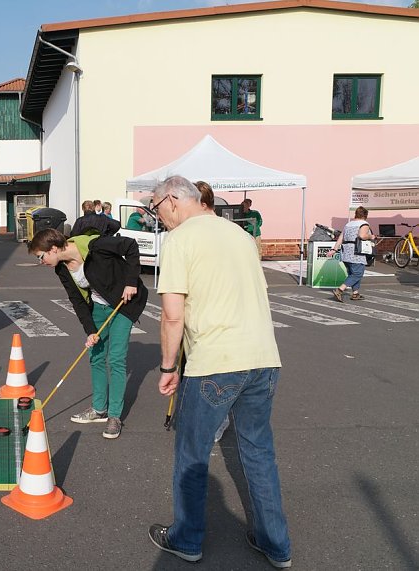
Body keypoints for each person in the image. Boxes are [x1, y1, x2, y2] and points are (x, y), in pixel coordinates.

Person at [148, 176, 291, 568]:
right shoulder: (240, 236)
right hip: (263, 357)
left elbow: (172, 315)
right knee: (259, 451)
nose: (157, 217)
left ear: (173, 200)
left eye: (155, 208)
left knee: (192, 453)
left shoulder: (180, 240)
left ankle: (187, 539)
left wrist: (167, 367)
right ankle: (276, 544)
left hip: (214, 360)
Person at [28, 228, 148, 439]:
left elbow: (130, 246)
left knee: (117, 359)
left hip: (123, 304)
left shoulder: (96, 246)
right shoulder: (62, 269)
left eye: (41, 256)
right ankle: (99, 409)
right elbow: (77, 300)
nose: (41, 262)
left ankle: (114, 416)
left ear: (54, 248)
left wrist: (131, 282)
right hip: (98, 308)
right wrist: (90, 331)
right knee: (96, 356)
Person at [327, 206, 375, 302]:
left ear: (356, 214)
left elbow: (341, 238)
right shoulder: (364, 224)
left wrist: (334, 249)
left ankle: (355, 293)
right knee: (357, 274)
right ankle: (340, 290)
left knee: (352, 273)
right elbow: (362, 235)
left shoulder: (348, 224)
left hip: (346, 252)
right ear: (365, 215)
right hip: (357, 252)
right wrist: (371, 236)